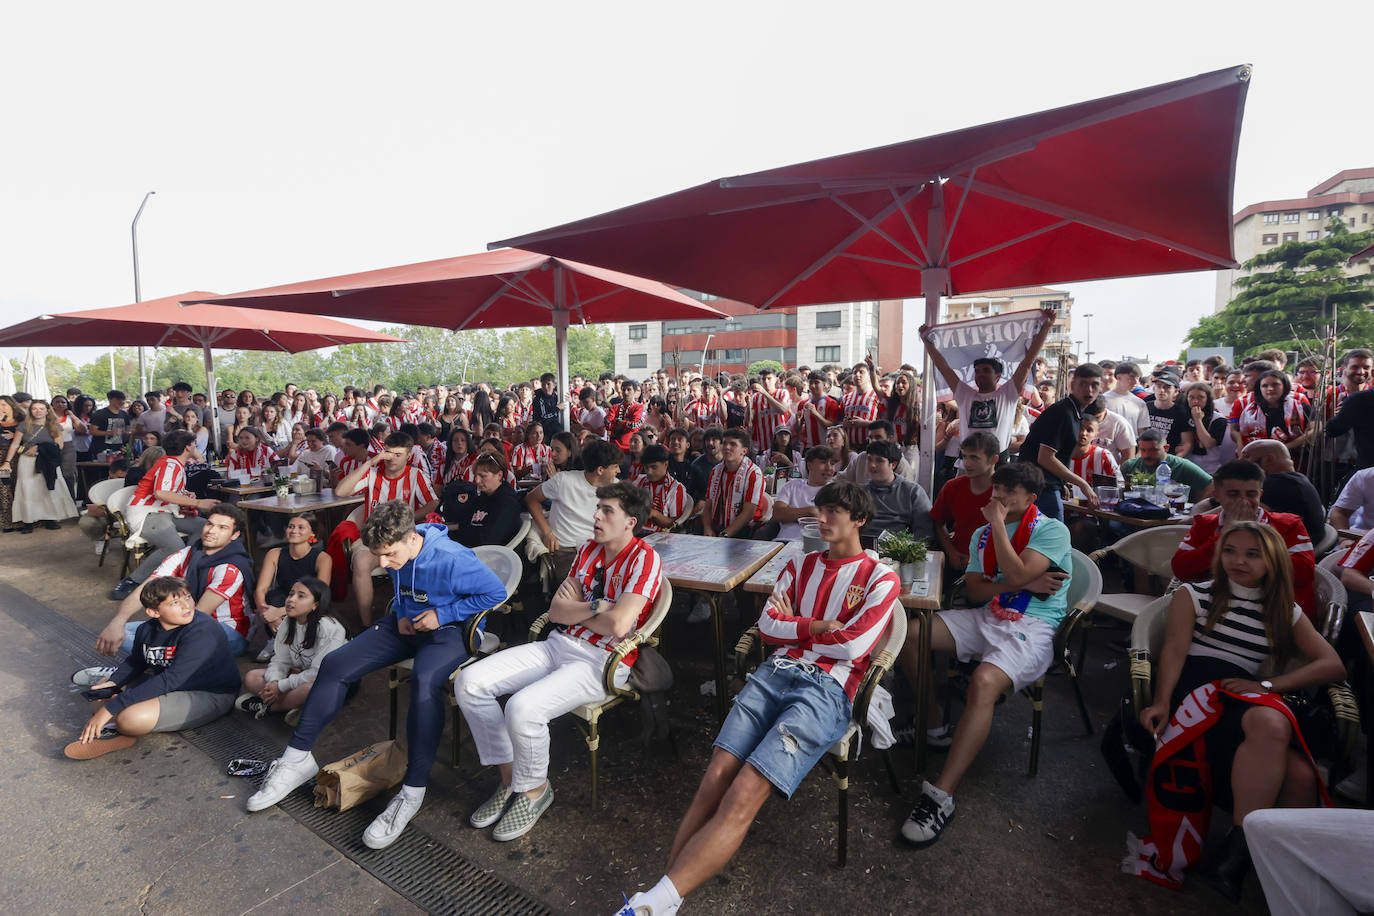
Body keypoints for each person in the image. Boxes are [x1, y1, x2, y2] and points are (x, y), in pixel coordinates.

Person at [616, 481, 896, 915]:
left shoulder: (880, 577)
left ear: (859, 519)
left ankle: (656, 902)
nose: (821, 520)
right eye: (820, 511)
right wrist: (820, 626)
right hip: (775, 672)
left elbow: (854, 648)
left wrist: (800, 623)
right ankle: (662, 900)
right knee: (715, 776)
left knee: (745, 788)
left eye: (833, 512)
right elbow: (768, 627)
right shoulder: (799, 565)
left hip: (827, 690)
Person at [246, 501, 506, 849]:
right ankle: (296, 761)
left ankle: (412, 792)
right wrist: (399, 609)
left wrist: (443, 615)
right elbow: (402, 589)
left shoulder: (452, 558)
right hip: (406, 623)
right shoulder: (396, 554)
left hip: (452, 629)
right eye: (377, 555)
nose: (382, 564)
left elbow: (495, 593)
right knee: (336, 663)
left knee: (426, 683)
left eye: (389, 554)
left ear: (412, 538)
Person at [1134, 522, 1344, 901]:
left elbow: (1333, 665)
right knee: (1269, 721)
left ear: (1272, 561)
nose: (1238, 561)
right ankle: (1239, 854)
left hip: (1244, 695)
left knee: (1300, 776)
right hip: (1197, 692)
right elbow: (1175, 652)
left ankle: (1268, 868)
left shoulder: (1284, 610)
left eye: (1252, 554)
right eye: (1230, 551)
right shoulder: (1194, 594)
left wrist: (1268, 686)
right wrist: (1162, 701)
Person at [457, 482, 663, 843]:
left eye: (607, 510)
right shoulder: (587, 549)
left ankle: (535, 790)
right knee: (469, 682)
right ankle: (510, 780)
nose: (596, 515)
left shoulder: (644, 558)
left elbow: (619, 627)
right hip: (559, 644)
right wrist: (597, 606)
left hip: (601, 661)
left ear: (631, 521)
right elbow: (555, 611)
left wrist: (580, 610)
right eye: (598, 507)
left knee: (522, 708)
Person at [897, 462, 1072, 849]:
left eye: (1010, 493)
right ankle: (934, 726)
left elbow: (1018, 567)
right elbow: (977, 591)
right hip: (987, 615)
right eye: (998, 490)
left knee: (983, 681)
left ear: (1030, 499)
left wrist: (1002, 539)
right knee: (910, 634)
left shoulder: (1051, 529)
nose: (999, 498)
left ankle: (941, 796)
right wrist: (1021, 581)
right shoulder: (978, 534)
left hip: (1033, 624)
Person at [66, 576, 241, 759]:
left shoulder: (203, 630)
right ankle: (116, 731)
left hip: (210, 694)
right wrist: (114, 682)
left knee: (129, 718)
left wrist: (113, 708)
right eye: (175, 602)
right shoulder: (147, 629)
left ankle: (119, 728)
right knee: (102, 691)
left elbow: (172, 679)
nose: (186, 606)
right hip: (170, 686)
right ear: (154, 612)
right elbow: (137, 661)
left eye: (188, 597)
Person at [95, 504, 256, 662]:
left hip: (226, 632)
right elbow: (146, 589)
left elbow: (199, 615)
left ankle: (150, 667)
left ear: (235, 535)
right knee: (120, 631)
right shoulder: (188, 554)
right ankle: (165, 663)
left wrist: (159, 637)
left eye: (222, 528)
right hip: (187, 620)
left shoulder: (230, 568)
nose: (212, 531)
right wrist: (117, 621)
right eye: (210, 524)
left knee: (156, 643)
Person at [1172, 460, 1316, 621]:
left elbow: (1304, 573)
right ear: (1217, 496)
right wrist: (1224, 537)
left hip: (1276, 615)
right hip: (1214, 611)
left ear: (1260, 495)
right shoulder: (1204, 525)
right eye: (1233, 494)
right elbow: (1181, 569)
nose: (1244, 501)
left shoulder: (1289, 524)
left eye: (1251, 494)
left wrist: (1252, 537)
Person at [334, 432, 440, 626]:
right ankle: (366, 624)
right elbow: (340, 491)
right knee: (360, 563)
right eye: (389, 453)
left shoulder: (416, 475)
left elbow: (432, 502)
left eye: (398, 455)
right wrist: (369, 462)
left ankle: (420, 617)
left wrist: (408, 519)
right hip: (373, 540)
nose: (392, 458)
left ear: (408, 456)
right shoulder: (373, 472)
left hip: (403, 539)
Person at [920, 309, 1053, 456]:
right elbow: (944, 368)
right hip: (967, 462)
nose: (980, 374)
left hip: (998, 462)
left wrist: (1046, 327)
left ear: (998, 376)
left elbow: (1027, 362)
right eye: (977, 371)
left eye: (986, 370)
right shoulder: (965, 395)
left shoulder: (1008, 394)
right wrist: (927, 343)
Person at [237, 576, 347, 721]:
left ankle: (268, 707)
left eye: (301, 596)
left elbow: (318, 673)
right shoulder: (289, 622)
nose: (291, 600)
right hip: (300, 675)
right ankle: (291, 705)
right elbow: (280, 660)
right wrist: (274, 683)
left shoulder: (330, 628)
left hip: (332, 682)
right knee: (252, 677)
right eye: (291, 594)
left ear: (316, 604)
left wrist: (281, 687)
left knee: (310, 689)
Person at [526, 439, 623, 583]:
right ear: (600, 470)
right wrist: (547, 532)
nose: (619, 471)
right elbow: (531, 499)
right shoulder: (564, 481)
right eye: (615, 467)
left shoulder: (617, 488)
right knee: (586, 589)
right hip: (567, 552)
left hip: (602, 549)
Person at [1016, 364, 1105, 518]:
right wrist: (1083, 484)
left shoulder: (1074, 412)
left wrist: (1061, 482)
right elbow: (1045, 458)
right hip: (1038, 487)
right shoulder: (1062, 412)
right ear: (1072, 385)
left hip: (1045, 485)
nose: (1089, 390)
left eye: (1094, 385)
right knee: (1052, 539)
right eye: (1083, 384)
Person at [252, 514, 333, 657]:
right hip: (284, 600)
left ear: (312, 533)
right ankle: (276, 640)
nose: (294, 530)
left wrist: (279, 612)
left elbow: (321, 595)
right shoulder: (274, 554)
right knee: (272, 597)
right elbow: (261, 589)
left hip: (310, 602)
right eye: (291, 526)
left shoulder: (323, 558)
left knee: (307, 603)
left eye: (301, 527)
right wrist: (269, 616)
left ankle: (301, 643)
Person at [2, 399, 79, 533]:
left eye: (41, 409)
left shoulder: (53, 425)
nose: (38, 411)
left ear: (47, 410)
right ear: (30, 411)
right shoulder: (24, 425)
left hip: (47, 461)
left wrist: (39, 448)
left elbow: (59, 445)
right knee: (27, 489)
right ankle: (28, 521)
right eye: (35, 409)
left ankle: (50, 518)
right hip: (27, 461)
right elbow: (15, 444)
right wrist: (7, 462)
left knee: (48, 489)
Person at [929, 432, 999, 576]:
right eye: (964, 456)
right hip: (957, 560)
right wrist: (951, 552)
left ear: (993, 459)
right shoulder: (952, 486)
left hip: (996, 567)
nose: (967, 463)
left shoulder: (1007, 491)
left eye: (974, 457)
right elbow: (937, 522)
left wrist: (979, 562)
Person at [1241, 439, 1326, 545]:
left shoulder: (1276, 485)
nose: (1241, 463)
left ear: (1268, 459)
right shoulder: (1297, 480)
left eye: (1246, 456)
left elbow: (1229, 507)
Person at [444, 454, 523, 548]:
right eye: (476, 475)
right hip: (469, 549)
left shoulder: (507, 503)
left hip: (487, 556)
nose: (477, 480)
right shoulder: (484, 496)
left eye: (483, 476)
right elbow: (467, 523)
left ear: (499, 475)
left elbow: (487, 540)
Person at [862, 439, 933, 540]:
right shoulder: (860, 492)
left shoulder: (913, 492)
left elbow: (924, 533)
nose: (872, 465)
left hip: (898, 551)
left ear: (893, 465)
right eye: (869, 459)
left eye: (879, 460)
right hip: (861, 549)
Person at [701, 428, 764, 539]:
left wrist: (725, 534)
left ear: (744, 451)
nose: (726, 447)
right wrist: (707, 529)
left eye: (733, 444)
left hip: (745, 531)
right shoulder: (716, 471)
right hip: (717, 529)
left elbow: (749, 512)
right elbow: (708, 506)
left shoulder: (754, 473)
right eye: (724, 443)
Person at [1119, 429, 1214, 502]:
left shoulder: (1181, 466)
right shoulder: (1129, 466)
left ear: (1166, 448)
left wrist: (1197, 509)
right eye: (1143, 450)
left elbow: (1212, 486)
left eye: (1153, 450)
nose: (1146, 455)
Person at [770, 445, 838, 541]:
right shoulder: (792, 485)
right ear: (809, 465)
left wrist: (791, 512)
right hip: (784, 541)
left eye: (832, 464)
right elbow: (777, 513)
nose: (829, 468)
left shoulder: (835, 490)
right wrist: (811, 511)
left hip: (818, 545)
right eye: (823, 462)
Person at [633, 444, 692, 533]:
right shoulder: (638, 481)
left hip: (661, 537)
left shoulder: (676, 488)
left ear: (666, 464)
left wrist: (655, 514)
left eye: (654, 467)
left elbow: (674, 525)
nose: (649, 472)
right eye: (646, 467)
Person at [1183, 381, 1233, 474]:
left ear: (1208, 399)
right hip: (1186, 466)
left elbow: (1208, 444)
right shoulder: (1183, 415)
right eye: (1191, 397)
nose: (1195, 401)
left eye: (1200, 397)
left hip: (1209, 469)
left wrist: (1197, 420)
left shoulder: (1218, 419)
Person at [1145, 372, 1195, 456]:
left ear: (1175, 392)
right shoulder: (1145, 407)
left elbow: (1187, 443)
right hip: (1146, 454)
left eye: (1167, 387)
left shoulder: (1182, 413)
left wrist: (1174, 462)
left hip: (1169, 457)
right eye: (1159, 386)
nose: (1162, 390)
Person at [791, 371, 843, 451]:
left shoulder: (831, 403)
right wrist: (798, 421)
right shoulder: (803, 404)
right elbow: (797, 429)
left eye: (816, 383)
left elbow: (831, 426)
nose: (813, 386)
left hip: (826, 446)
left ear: (824, 384)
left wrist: (815, 413)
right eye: (810, 383)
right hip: (808, 446)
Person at [840, 362, 881, 448]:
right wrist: (843, 424)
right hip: (850, 445)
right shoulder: (846, 397)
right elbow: (838, 420)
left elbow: (885, 422)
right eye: (855, 372)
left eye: (861, 372)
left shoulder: (877, 397)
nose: (857, 375)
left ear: (869, 376)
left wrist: (865, 423)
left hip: (870, 444)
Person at [1104, 363, 1151, 434]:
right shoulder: (1103, 400)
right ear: (1119, 377)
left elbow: (1142, 431)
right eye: (1132, 377)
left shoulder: (1139, 403)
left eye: (1138, 378)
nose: (1136, 382)